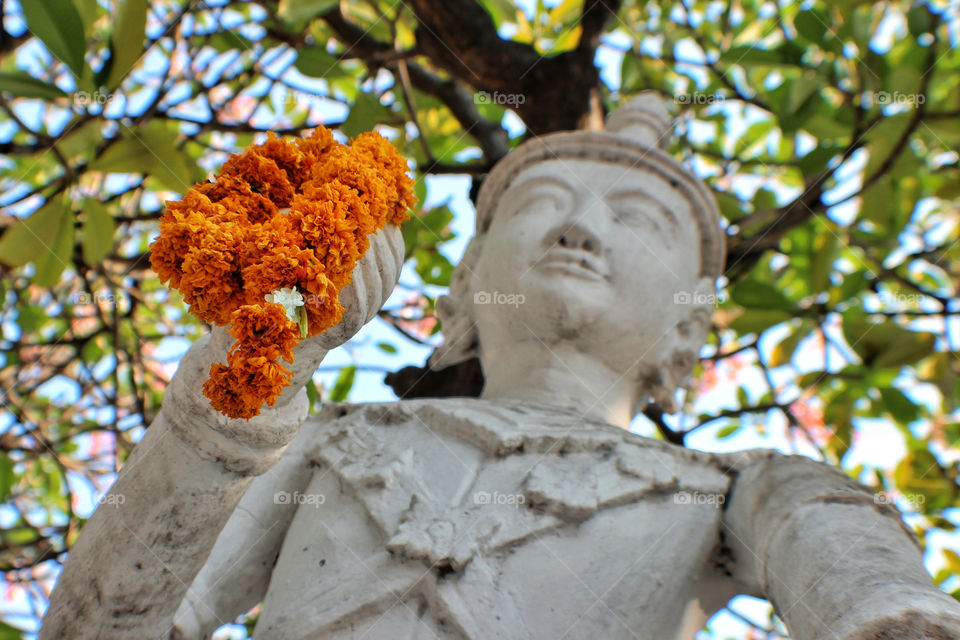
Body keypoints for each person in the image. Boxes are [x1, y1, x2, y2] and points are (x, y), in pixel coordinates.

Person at [42, 94, 960, 640]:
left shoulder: (744, 490)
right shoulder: (329, 438)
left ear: (692, 323)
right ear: (468, 277)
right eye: (545, 203)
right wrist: (249, 374)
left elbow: (883, 611)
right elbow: (101, 626)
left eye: (640, 221)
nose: (577, 229)